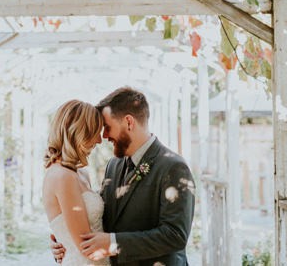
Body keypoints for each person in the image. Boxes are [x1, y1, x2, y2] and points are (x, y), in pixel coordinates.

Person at [52, 87, 196, 265]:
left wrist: (113, 244)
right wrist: (65, 240)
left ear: (129, 122)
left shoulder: (173, 167)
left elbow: (175, 235)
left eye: (107, 128)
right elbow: (103, 216)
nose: (103, 136)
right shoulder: (114, 165)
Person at [43, 100, 110, 266]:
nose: (100, 140)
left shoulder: (80, 173)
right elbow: (87, 247)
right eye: (96, 131)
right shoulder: (62, 176)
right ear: (79, 132)